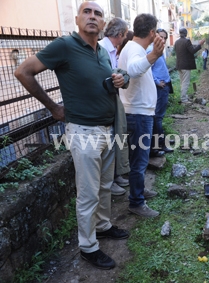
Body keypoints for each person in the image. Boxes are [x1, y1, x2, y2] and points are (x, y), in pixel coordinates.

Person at [14, 2, 130, 270]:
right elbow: (22, 71)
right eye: (86, 12)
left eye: (97, 13)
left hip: (107, 129)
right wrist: (53, 107)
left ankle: (102, 226)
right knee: (88, 194)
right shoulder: (64, 46)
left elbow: (104, 81)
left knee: (103, 186)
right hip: (84, 131)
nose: (92, 16)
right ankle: (88, 248)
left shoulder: (101, 52)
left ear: (103, 24)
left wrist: (119, 79)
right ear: (77, 19)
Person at [118, 13, 165, 218]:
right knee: (139, 161)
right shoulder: (136, 49)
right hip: (138, 115)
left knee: (139, 159)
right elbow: (134, 70)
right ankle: (136, 202)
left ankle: (139, 191)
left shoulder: (132, 47)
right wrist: (154, 54)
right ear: (152, 32)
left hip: (138, 113)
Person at [99, 17, 129, 195]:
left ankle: (115, 177)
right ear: (119, 34)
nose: (124, 39)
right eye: (124, 35)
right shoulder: (102, 49)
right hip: (104, 101)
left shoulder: (112, 50)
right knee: (109, 143)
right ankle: (109, 183)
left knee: (117, 138)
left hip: (112, 99)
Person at [146, 29, 174, 156]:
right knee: (158, 117)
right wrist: (157, 82)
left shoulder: (159, 50)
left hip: (164, 86)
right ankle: (160, 144)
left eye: (164, 38)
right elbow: (147, 70)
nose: (162, 40)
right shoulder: (151, 51)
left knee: (159, 116)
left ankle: (160, 141)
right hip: (159, 87)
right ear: (155, 36)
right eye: (160, 37)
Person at [174, 27, 205, 103]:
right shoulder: (187, 41)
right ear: (186, 33)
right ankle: (184, 99)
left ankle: (184, 96)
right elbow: (192, 51)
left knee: (182, 82)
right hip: (185, 66)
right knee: (185, 82)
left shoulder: (177, 42)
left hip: (179, 65)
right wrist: (200, 44)